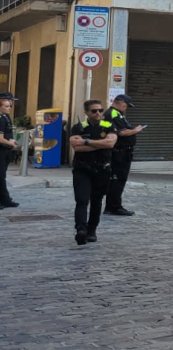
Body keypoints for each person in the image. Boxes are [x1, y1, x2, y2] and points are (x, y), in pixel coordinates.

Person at [70, 100, 117, 245]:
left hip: (102, 169)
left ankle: (92, 231)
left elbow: (110, 143)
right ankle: (81, 230)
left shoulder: (109, 126)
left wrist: (86, 142)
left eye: (100, 110)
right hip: (82, 168)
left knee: (96, 201)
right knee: (82, 200)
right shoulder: (79, 127)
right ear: (86, 113)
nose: (98, 113)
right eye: (94, 111)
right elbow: (76, 147)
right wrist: (99, 145)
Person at [104, 94, 143, 217]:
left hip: (123, 152)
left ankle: (113, 205)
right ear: (121, 102)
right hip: (119, 152)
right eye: (126, 105)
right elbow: (121, 132)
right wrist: (136, 130)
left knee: (118, 180)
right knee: (117, 180)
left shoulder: (115, 114)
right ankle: (114, 207)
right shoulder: (113, 114)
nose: (126, 108)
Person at [0, 93, 19, 209]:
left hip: (6, 150)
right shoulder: (1, 118)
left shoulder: (6, 116)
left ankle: (5, 199)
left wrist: (11, 140)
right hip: (1, 150)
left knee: (2, 176)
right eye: (7, 104)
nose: (10, 106)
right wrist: (10, 143)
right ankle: (4, 200)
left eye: (10, 105)